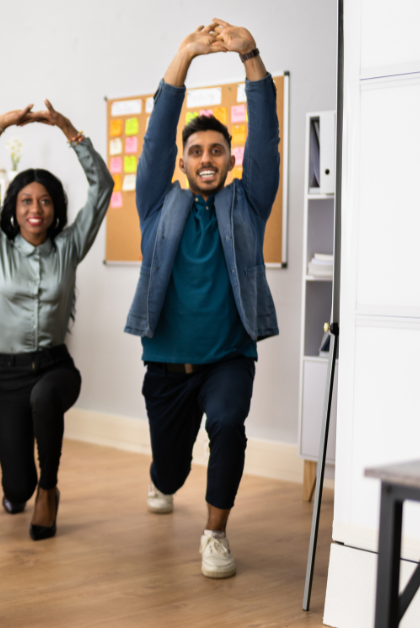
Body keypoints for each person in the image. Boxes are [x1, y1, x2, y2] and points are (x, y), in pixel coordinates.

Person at [125, 19, 279, 579]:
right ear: (183, 161)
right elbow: (155, 132)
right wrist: (185, 56)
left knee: (229, 425)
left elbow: (265, 138)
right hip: (166, 364)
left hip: (228, 357)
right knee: (171, 471)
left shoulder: (248, 204)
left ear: (230, 162)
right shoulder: (155, 204)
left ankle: (215, 533)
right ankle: (162, 476)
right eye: (196, 150)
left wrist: (250, 57)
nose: (207, 157)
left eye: (217, 150)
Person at [0, 102, 113, 540]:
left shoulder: (69, 246)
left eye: (45, 201)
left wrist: (68, 129)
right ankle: (26, 488)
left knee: (47, 398)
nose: (36, 209)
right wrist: (0, 126)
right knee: (14, 487)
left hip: (56, 367)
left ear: (55, 208)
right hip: (7, 376)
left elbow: (102, 186)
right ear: (14, 207)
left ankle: (50, 488)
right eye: (27, 201)